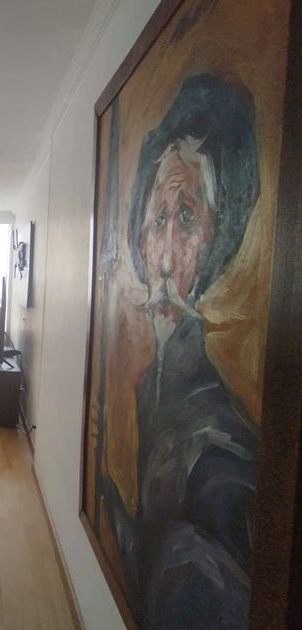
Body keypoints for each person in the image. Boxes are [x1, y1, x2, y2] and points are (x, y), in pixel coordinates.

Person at [101, 73, 260, 629]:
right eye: (158, 220)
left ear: (217, 239)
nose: (166, 261)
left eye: (188, 219)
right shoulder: (154, 382)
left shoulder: (220, 452)